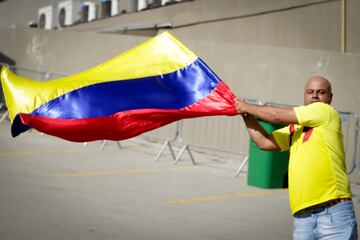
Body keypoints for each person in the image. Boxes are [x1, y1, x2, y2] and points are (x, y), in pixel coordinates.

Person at [235, 76, 358, 239]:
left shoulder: (326, 112)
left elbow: (276, 117)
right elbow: (264, 142)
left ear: (330, 97)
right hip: (303, 217)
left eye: (321, 92)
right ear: (304, 96)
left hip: (333, 215)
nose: (315, 96)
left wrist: (246, 106)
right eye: (310, 92)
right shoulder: (296, 128)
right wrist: (246, 115)